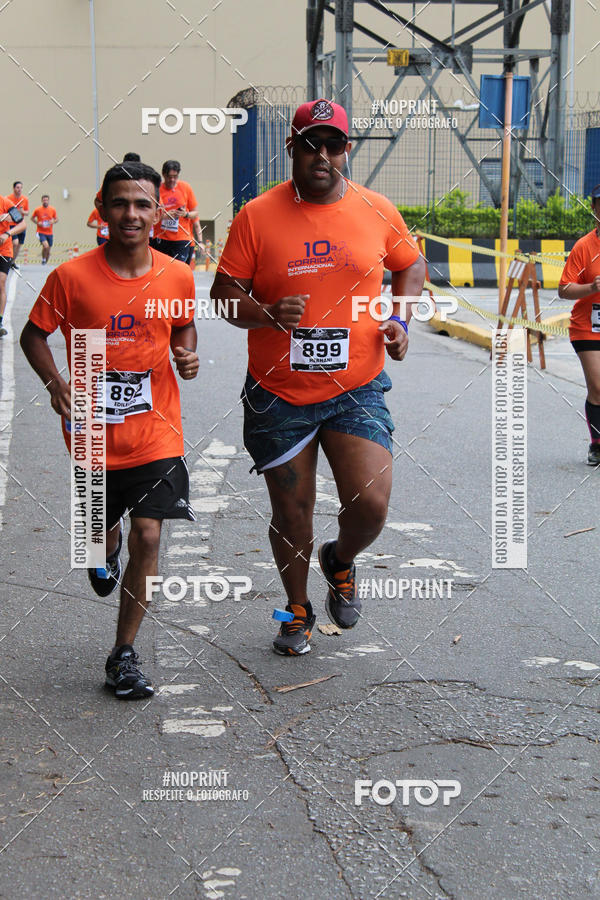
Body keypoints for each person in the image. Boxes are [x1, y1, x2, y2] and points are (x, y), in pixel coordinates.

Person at [211, 98, 425, 656]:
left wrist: (399, 319)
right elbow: (222, 297)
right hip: (278, 392)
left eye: (334, 145)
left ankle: (340, 559)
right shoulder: (257, 215)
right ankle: (295, 608)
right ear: (293, 149)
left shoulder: (376, 209)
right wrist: (265, 313)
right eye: (311, 143)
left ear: (346, 150)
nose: (322, 155)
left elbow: (410, 263)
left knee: (372, 504)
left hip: (356, 386)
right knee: (291, 511)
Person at [20, 161, 200, 699]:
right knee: (98, 545)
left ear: (158, 210)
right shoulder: (71, 277)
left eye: (143, 204)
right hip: (92, 432)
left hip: (156, 432)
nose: (131, 214)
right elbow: (34, 336)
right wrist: (55, 382)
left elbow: (184, 325)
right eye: (120, 202)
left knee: (150, 533)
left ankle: (123, 653)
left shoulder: (176, 274)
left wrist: (186, 354)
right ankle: (104, 549)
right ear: (102, 208)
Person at [152, 160, 199, 262]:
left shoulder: (186, 187)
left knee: (178, 270)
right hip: (161, 237)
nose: (172, 180)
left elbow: (195, 213)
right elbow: (150, 214)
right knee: (161, 270)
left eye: (175, 176)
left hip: (181, 238)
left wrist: (185, 214)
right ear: (163, 174)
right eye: (169, 177)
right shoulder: (157, 189)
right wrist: (164, 216)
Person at [0, 196, 27, 335]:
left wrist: (7, 233)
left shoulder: (5, 203)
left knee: (1, 283)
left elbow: (22, 224)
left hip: (3, 250)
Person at [6, 181, 28, 264]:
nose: (19, 189)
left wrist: (22, 211)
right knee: (15, 242)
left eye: (21, 187)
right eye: (17, 187)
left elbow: (27, 212)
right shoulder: (8, 198)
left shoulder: (25, 199)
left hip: (21, 224)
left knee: (19, 245)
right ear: (14, 188)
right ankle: (7, 259)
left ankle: (12, 262)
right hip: (11, 224)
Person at [31, 195, 58, 264]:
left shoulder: (52, 209)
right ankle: (43, 259)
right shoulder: (38, 210)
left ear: (48, 201)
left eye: (46, 200)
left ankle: (45, 262)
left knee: (48, 249)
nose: (45, 201)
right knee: (46, 246)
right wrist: (38, 222)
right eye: (44, 200)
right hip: (40, 231)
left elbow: (56, 219)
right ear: (42, 201)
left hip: (49, 232)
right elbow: (32, 218)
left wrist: (53, 221)